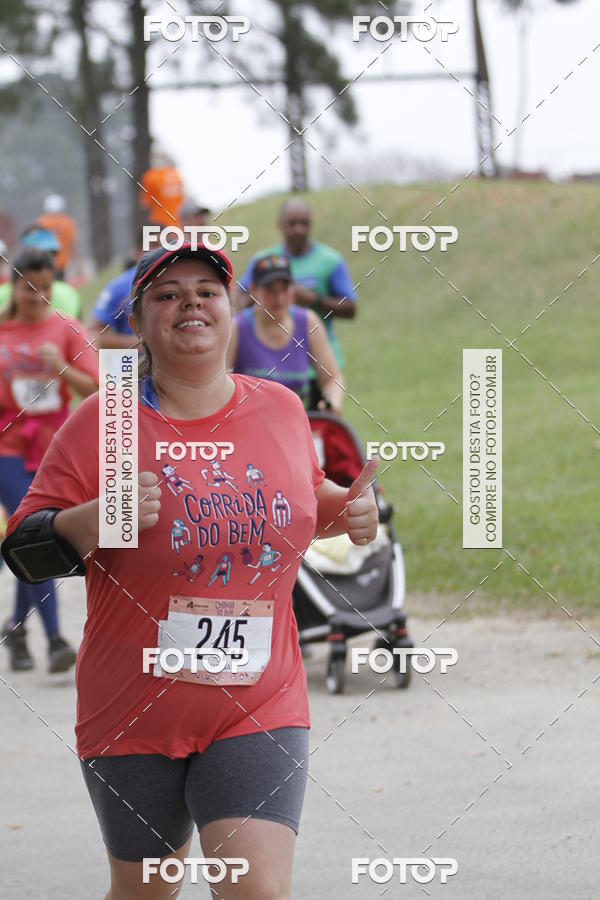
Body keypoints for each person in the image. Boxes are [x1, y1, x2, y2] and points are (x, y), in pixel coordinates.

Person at [1, 241, 379, 898]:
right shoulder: (107, 420)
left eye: (206, 291)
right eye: (168, 295)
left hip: (259, 699)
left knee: (256, 890)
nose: (190, 305)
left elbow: (298, 499)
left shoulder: (280, 408)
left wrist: (345, 509)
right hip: (131, 708)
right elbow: (22, 548)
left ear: (230, 309)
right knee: (148, 890)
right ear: (140, 321)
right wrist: (86, 522)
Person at [0, 248, 98, 672]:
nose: (36, 297)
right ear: (13, 286)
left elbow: (96, 386)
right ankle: (56, 638)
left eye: (44, 288)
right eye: (28, 288)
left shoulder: (66, 329)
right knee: (34, 532)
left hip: (53, 448)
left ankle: (16, 630)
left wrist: (61, 368)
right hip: (6, 446)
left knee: (32, 535)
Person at [236, 198, 357, 407]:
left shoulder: (330, 260)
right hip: (262, 358)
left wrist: (315, 300)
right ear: (280, 225)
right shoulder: (262, 260)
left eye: (304, 223)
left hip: (313, 361)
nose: (298, 229)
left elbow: (350, 308)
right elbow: (239, 297)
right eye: (292, 223)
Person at [228, 254, 345, 414]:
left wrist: (332, 401)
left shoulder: (308, 322)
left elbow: (333, 378)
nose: (279, 297)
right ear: (253, 290)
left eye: (284, 289)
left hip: (299, 426)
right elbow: (219, 383)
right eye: (270, 290)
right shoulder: (236, 328)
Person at [0, 227, 81, 318]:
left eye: (51, 255)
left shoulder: (69, 293)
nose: (46, 261)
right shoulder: (2, 295)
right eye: (38, 256)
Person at [36, 194, 78, 280]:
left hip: (45, 263)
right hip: (61, 263)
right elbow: (72, 244)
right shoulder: (68, 222)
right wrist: (76, 262)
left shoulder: (42, 222)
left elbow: (35, 244)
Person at [140, 150, 184, 227]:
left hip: (159, 224)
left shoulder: (151, 176)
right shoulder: (176, 175)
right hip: (176, 224)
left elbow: (145, 204)